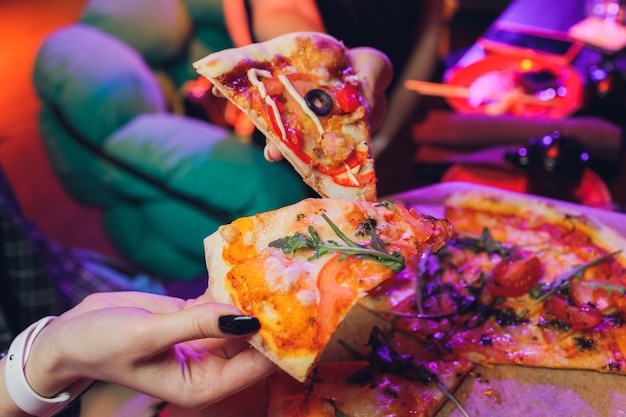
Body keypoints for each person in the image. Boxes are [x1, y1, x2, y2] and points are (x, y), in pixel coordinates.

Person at [0, 39, 394, 416]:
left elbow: (28, 256)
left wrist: (312, 83)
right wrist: (44, 363)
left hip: (94, 302)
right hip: (59, 380)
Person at [223, 0, 447, 158]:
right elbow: (282, 9)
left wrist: (384, 139)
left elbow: (427, 39)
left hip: (395, 122)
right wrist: (337, 69)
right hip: (301, 117)